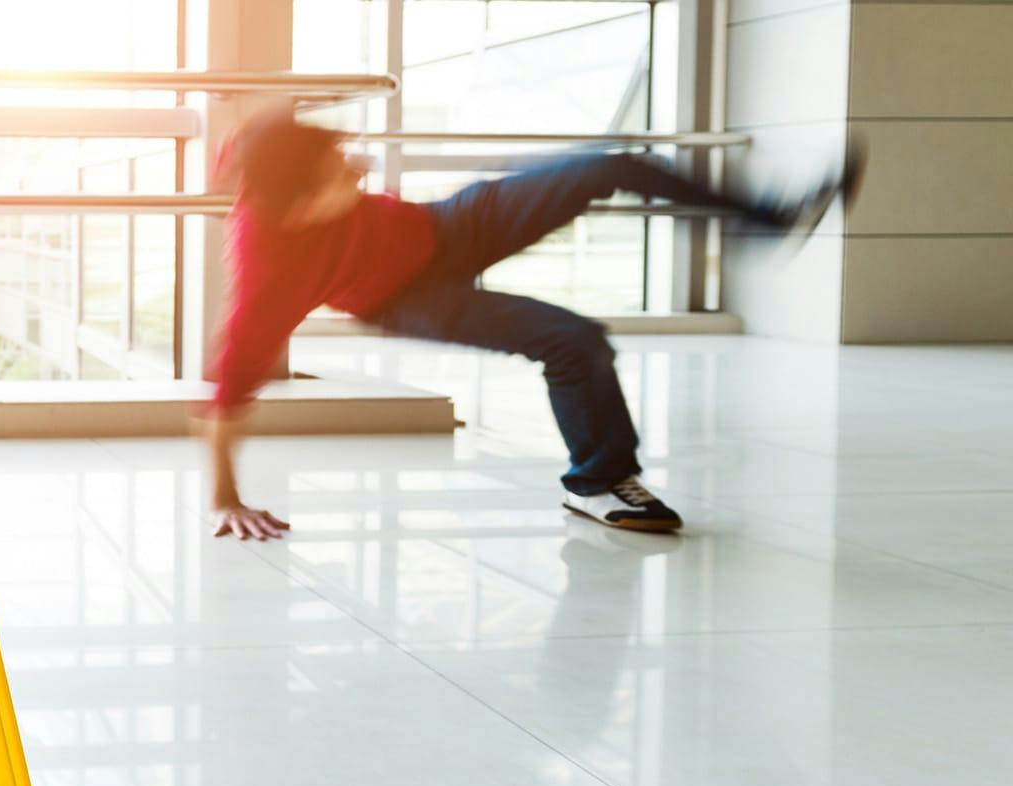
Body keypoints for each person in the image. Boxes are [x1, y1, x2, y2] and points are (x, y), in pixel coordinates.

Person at [200, 113, 861, 539]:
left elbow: (256, 145)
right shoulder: (269, 268)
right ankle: (599, 481)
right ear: (302, 205)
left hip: (446, 226)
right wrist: (226, 497)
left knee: (612, 164)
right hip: (408, 296)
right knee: (573, 339)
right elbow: (230, 389)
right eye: (338, 169)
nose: (358, 166)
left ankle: (764, 218)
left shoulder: (279, 164)